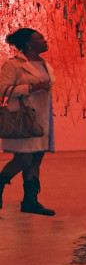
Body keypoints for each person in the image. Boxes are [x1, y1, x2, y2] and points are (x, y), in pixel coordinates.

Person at [0, 28, 56, 216]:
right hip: (21, 119)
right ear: (29, 44)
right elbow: (3, 90)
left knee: (36, 158)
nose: (44, 40)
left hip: (41, 117)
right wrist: (31, 87)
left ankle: (30, 201)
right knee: (23, 158)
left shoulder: (43, 63)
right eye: (39, 38)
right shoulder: (13, 65)